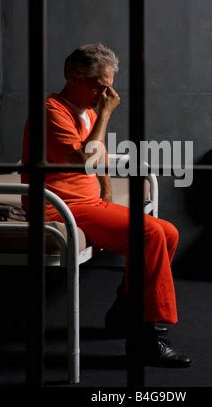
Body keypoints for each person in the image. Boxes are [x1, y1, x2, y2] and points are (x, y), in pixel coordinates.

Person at [21, 43, 191, 368]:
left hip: (84, 203)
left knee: (167, 232)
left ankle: (125, 310)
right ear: (73, 75)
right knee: (152, 234)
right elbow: (86, 158)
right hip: (57, 207)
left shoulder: (83, 112)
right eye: (100, 85)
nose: (105, 94)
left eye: (109, 87)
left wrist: (106, 193)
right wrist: (106, 113)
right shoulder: (51, 111)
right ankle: (147, 337)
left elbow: (98, 161)